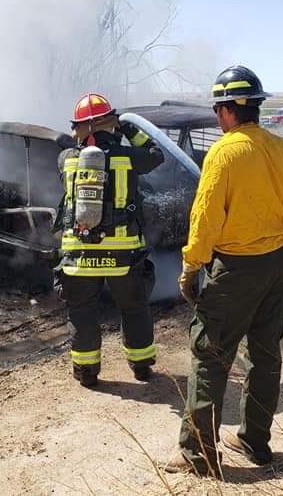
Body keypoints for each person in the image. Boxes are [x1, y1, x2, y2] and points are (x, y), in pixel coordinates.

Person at [163, 66, 283, 475]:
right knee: (265, 353)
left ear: (228, 110)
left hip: (235, 270)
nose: (218, 117)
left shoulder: (225, 152)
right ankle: (255, 442)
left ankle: (198, 455)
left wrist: (191, 267)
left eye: (218, 108)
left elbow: (204, 218)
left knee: (209, 354)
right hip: (276, 264)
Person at [55, 93, 164, 387]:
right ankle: (141, 367)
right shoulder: (129, 158)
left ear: (80, 127)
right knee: (134, 308)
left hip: (79, 255)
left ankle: (87, 372)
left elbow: (69, 146)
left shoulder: (66, 159)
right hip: (123, 255)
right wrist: (128, 128)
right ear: (111, 124)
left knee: (82, 311)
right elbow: (156, 153)